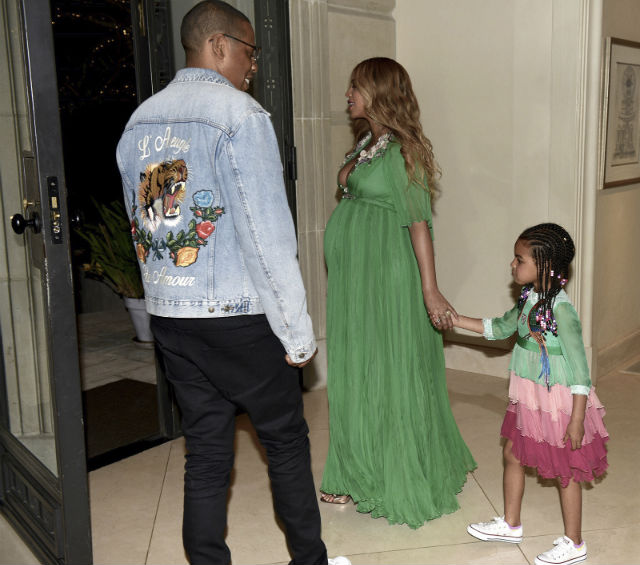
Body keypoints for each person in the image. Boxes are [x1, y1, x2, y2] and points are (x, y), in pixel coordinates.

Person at [116, 2, 350, 564]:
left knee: (206, 451)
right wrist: (297, 334)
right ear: (218, 45)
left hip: (172, 316)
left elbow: (149, 227)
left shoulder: (138, 121)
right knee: (286, 445)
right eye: (249, 53)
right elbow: (267, 238)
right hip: (239, 318)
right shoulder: (240, 116)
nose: (252, 67)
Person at [320, 57, 476, 528]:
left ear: (379, 93)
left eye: (356, 87)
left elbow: (419, 226)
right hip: (354, 281)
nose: (348, 95)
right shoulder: (369, 141)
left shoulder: (402, 151)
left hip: (386, 279)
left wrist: (430, 291)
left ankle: (391, 470)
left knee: (386, 370)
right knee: (354, 368)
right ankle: (352, 468)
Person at [455, 223, 608, 565]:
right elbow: (500, 327)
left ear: (543, 265)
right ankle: (511, 524)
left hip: (558, 402)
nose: (512, 265)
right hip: (531, 396)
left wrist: (578, 418)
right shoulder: (529, 298)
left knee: (565, 469)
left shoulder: (562, 311)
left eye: (518, 259)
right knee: (513, 453)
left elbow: (581, 371)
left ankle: (575, 542)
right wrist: (454, 319)